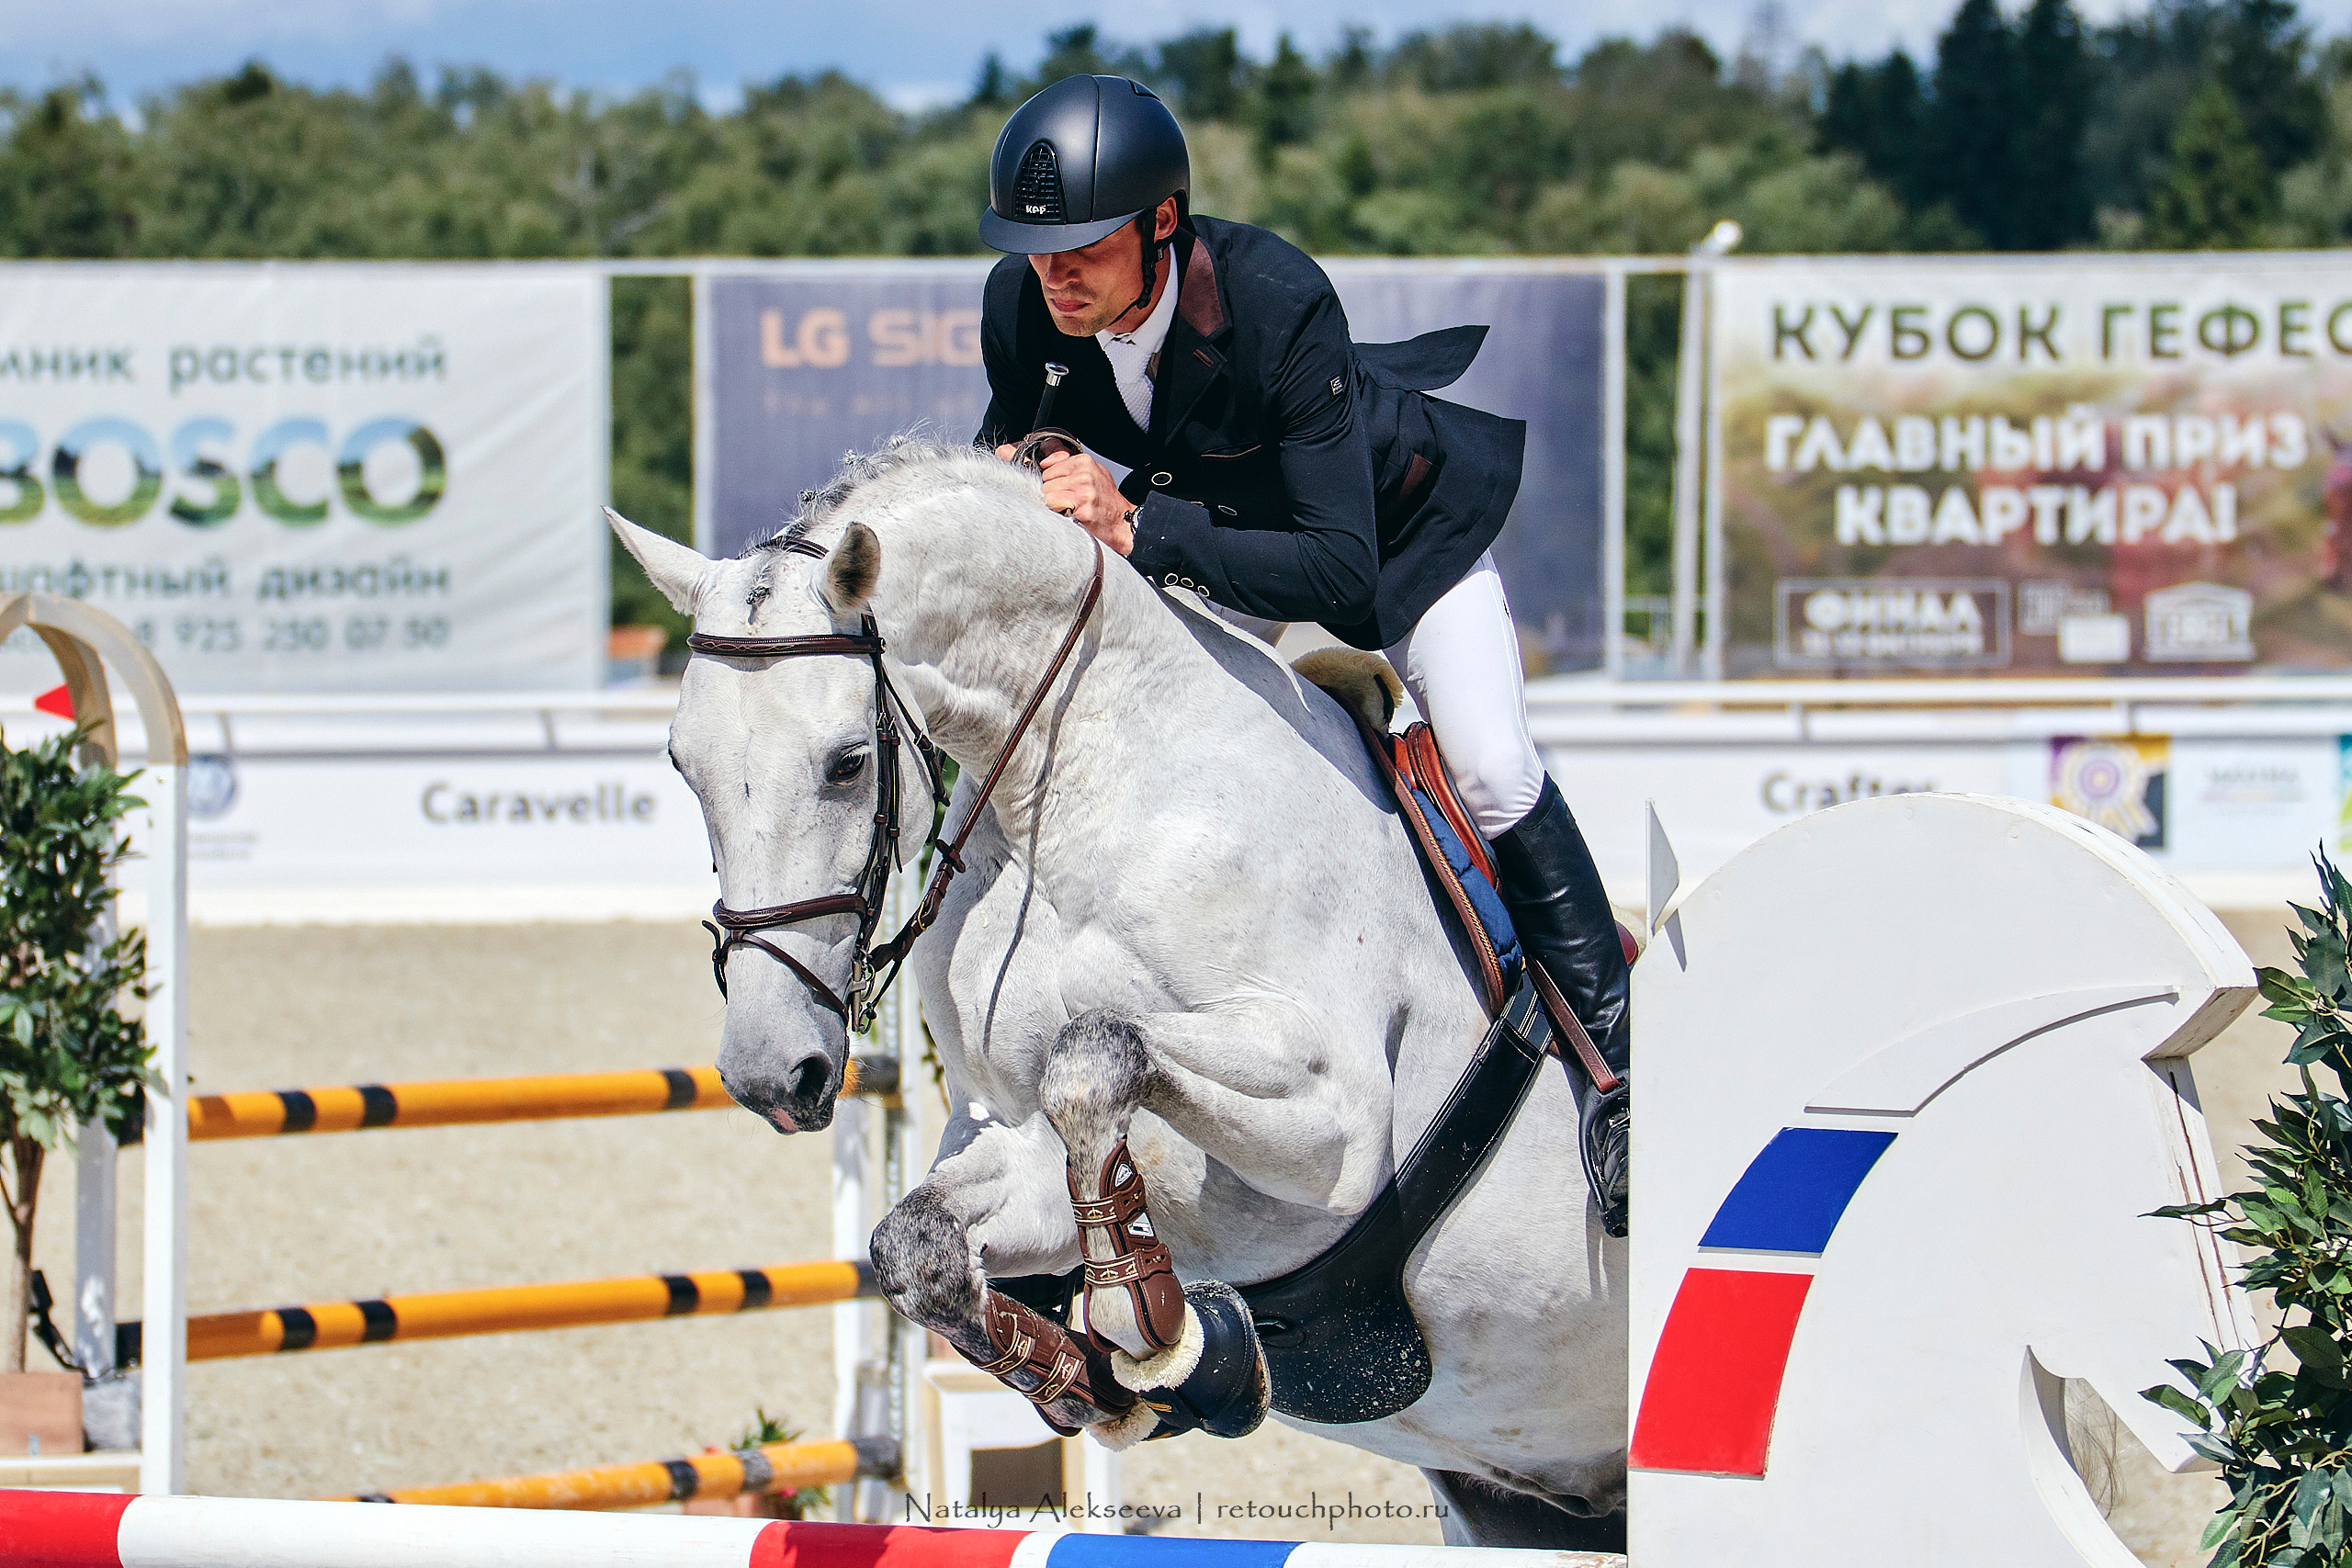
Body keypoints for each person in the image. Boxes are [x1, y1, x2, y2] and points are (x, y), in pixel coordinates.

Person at [972, 73, 1633, 1237]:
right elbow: (1011, 462)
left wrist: (1131, 523)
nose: (1053, 275)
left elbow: (1336, 576)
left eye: (1082, 247)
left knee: (1485, 764)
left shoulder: (1277, 299)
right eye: (1036, 252)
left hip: (1390, 539)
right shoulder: (1021, 308)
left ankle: (1622, 1077)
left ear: (1163, 222)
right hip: (1215, 544)